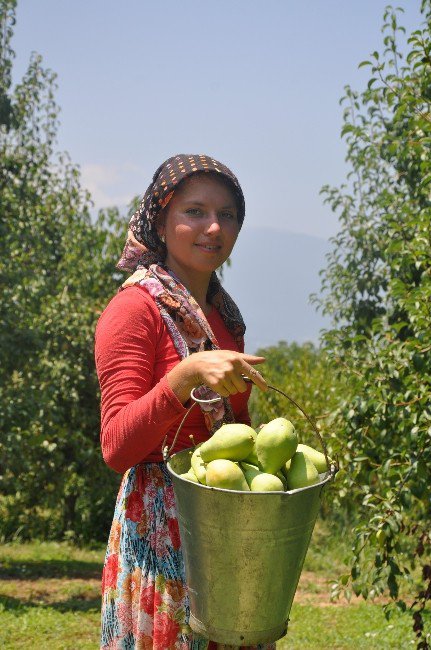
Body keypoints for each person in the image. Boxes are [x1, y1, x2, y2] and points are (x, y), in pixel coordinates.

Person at [95, 154, 275, 650]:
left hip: (223, 521)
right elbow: (116, 447)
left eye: (229, 215)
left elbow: (233, 429)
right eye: (195, 211)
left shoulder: (223, 317)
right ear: (160, 218)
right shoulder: (134, 310)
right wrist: (184, 377)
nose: (214, 227)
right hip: (161, 527)